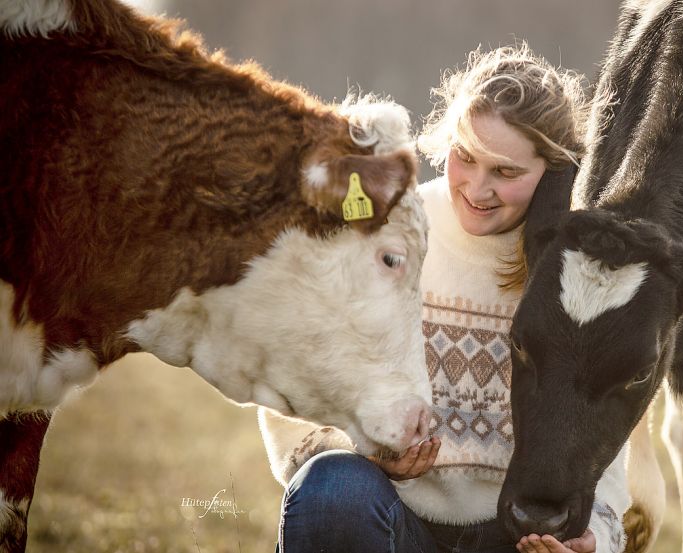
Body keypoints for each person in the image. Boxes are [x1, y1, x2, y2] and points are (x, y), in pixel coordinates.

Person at [260, 44, 630, 553]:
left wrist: (597, 540)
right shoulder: (389, 231)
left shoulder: (582, 276)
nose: (478, 188)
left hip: (518, 536)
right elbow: (295, 388)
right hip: (390, 517)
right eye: (466, 157)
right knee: (333, 488)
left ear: (555, 170)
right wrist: (365, 451)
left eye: (506, 172)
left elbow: (606, 441)